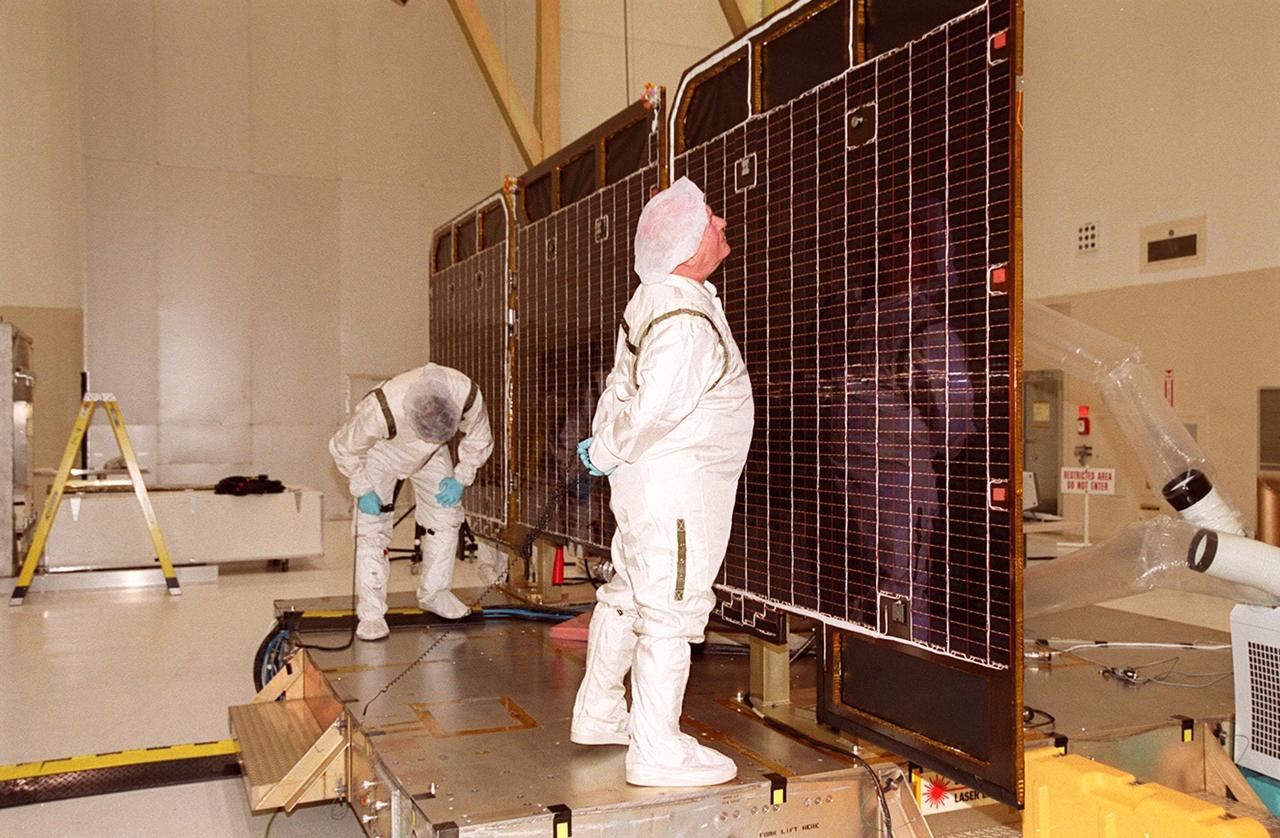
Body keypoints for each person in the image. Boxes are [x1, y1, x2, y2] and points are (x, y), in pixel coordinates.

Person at [571, 177, 754, 787]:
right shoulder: (683, 320)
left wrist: (607, 447)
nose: (722, 223)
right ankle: (656, 747)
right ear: (683, 245)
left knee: (629, 594)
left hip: (651, 485)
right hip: (677, 492)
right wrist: (612, 445)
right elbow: (654, 408)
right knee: (671, 612)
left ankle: (599, 712)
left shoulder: (660, 298)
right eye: (710, 219)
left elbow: (623, 390)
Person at [329, 364, 493, 641]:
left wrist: (461, 476)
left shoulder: (466, 396)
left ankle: (435, 593)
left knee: (446, 517)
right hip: (381, 452)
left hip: (431, 455)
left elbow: (479, 436)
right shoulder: (381, 409)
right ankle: (371, 614)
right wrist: (362, 486)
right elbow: (343, 447)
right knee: (372, 530)